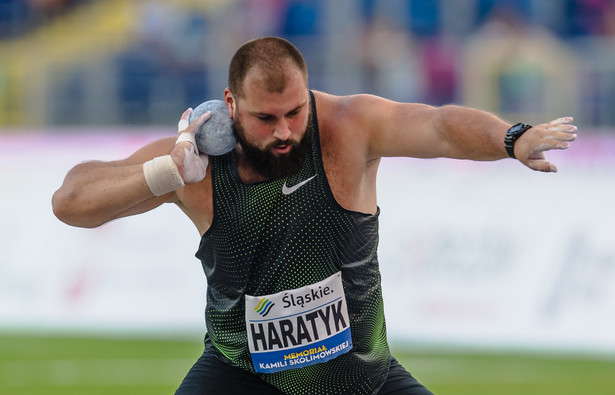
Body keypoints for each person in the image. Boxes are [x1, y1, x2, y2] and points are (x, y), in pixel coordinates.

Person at [52, 36, 577, 395]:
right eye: (265, 118)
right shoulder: (195, 163)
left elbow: (438, 126)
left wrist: (511, 138)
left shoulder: (351, 126)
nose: (283, 131)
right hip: (242, 373)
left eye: (295, 112)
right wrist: (165, 172)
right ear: (230, 106)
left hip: (360, 377)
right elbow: (70, 203)